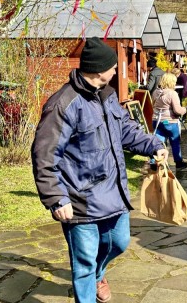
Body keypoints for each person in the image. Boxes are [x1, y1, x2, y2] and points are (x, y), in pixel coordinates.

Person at [31, 37, 168, 303]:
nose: (117, 71)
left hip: (113, 193)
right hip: (80, 200)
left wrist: (152, 144)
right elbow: (44, 155)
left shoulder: (108, 94)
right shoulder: (63, 104)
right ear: (97, 70)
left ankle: (98, 274)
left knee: (119, 242)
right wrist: (56, 198)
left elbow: (125, 130)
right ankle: (88, 288)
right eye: (113, 67)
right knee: (83, 261)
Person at [152, 73, 187, 170]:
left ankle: (154, 162)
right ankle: (179, 163)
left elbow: (153, 105)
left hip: (156, 120)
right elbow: (177, 110)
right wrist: (185, 109)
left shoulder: (156, 92)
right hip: (170, 122)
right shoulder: (173, 93)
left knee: (158, 143)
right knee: (175, 142)